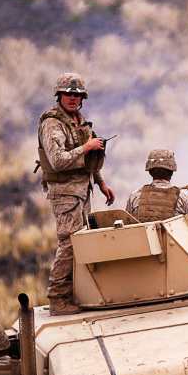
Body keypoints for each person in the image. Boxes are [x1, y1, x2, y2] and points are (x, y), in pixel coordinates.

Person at [37, 72, 115, 314]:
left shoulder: (77, 122)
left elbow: (88, 159)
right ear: (59, 95)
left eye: (77, 95)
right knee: (70, 244)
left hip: (82, 191)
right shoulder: (53, 124)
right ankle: (57, 298)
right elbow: (58, 161)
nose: (72, 98)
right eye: (68, 94)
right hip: (65, 193)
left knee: (83, 242)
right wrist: (87, 146)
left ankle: (76, 293)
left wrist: (101, 182)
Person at [125, 149, 188, 222]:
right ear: (171, 171)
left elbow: (127, 225)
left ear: (150, 171)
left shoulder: (135, 196)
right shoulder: (183, 197)